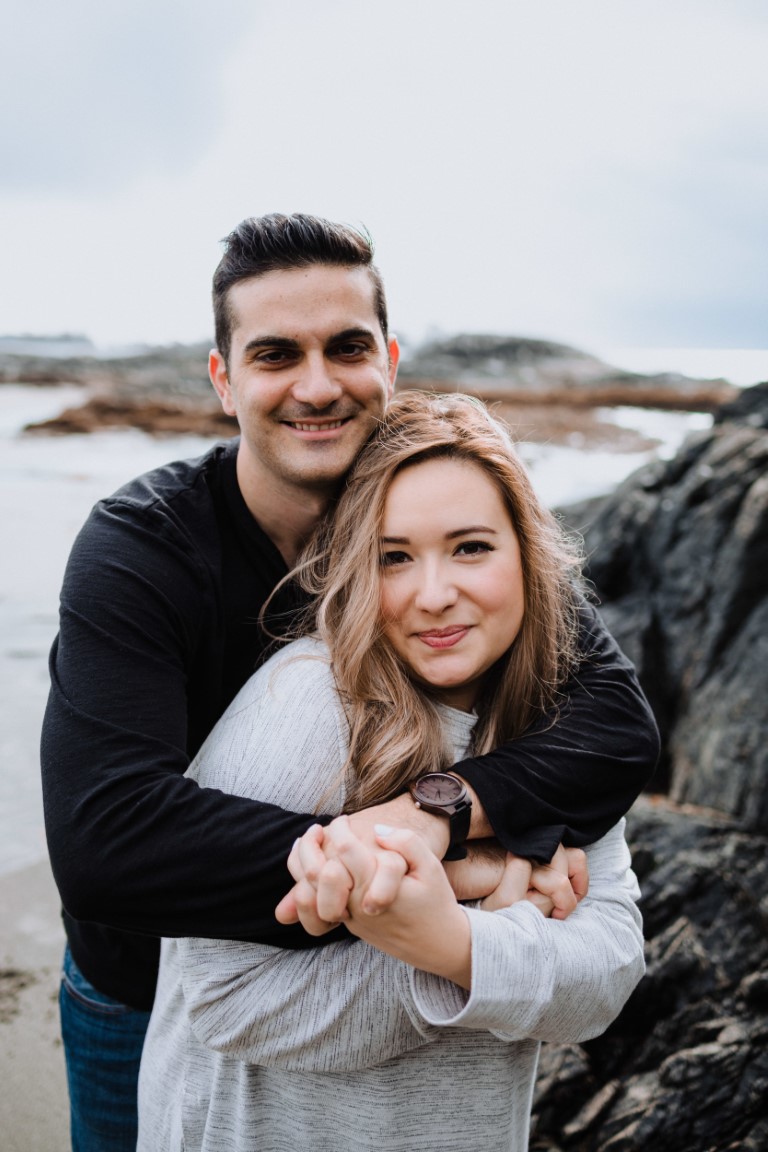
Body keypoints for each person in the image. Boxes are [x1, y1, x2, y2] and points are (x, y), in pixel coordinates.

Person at [41, 213, 658, 1151]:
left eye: (347, 348)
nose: (318, 385)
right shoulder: (143, 549)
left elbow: (614, 725)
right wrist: (453, 873)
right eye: (277, 353)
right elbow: (107, 843)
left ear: (390, 360)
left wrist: (438, 816)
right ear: (223, 379)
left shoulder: (435, 521)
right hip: (139, 986)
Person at [137, 391, 646, 1151]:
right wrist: (457, 924)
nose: (435, 595)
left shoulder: (557, 718)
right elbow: (225, 998)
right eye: (393, 556)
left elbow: (608, 972)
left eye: (471, 547)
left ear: (528, 553)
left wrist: (454, 941)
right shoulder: (308, 700)